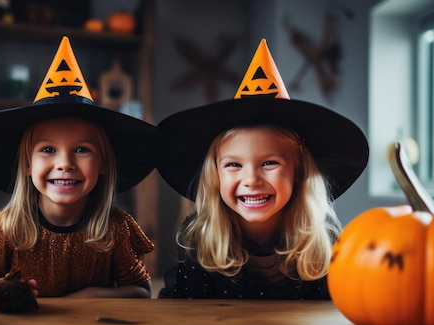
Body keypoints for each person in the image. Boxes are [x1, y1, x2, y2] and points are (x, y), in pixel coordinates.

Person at [157, 39, 369, 299]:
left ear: (298, 172)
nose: (251, 179)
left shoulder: (322, 238)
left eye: (269, 163)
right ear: (215, 176)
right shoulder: (202, 236)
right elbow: (185, 313)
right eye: (234, 165)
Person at [0, 36, 161, 298]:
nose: (64, 164)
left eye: (81, 150)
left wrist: (94, 296)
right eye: (48, 150)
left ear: (103, 164)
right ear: (28, 165)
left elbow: (141, 290)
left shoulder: (116, 230)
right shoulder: (6, 228)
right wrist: (2, 289)